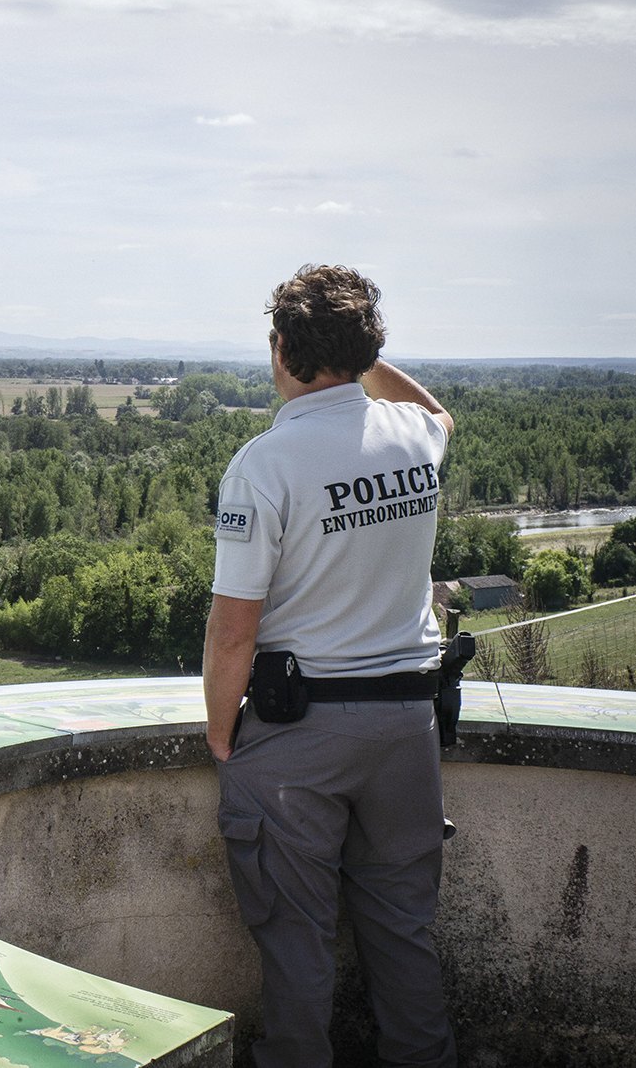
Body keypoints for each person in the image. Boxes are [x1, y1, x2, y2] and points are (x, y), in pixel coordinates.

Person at [202, 264, 457, 1068]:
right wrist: (362, 358)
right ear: (363, 348)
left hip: (299, 736)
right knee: (402, 930)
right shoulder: (413, 436)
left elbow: (233, 630)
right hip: (408, 727)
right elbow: (437, 412)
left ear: (281, 350)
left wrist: (220, 737)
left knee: (297, 940)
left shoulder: (266, 463)